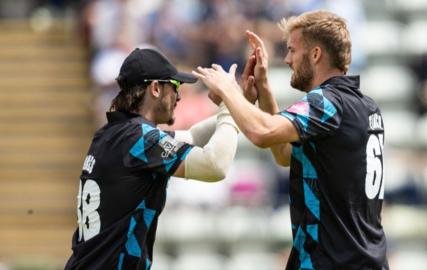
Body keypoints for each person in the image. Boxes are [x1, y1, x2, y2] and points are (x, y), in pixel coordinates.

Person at [193, 10, 389, 269]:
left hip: (332, 262)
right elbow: (284, 153)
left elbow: (262, 133)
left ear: (316, 54)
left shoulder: (327, 103)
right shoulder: (366, 106)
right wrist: (263, 89)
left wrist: (230, 91)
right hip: (363, 259)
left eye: (292, 50)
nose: (287, 59)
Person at [65, 48, 239, 269]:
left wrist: (240, 105)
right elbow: (215, 166)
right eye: (175, 87)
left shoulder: (114, 134)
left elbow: (194, 136)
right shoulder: (139, 139)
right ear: (155, 88)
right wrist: (227, 104)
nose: (179, 96)